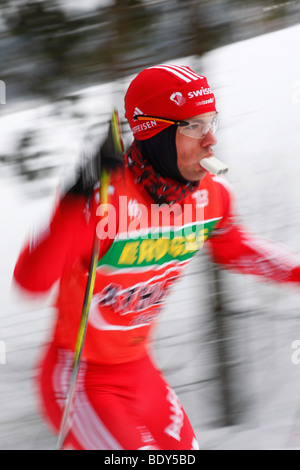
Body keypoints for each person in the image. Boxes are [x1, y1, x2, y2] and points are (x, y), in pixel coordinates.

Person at [13, 64, 300, 450]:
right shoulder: (104, 202)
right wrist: (73, 202)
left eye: (210, 121)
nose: (211, 140)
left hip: (139, 372)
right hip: (80, 380)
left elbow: (238, 250)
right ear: (155, 132)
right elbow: (30, 280)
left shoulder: (212, 196)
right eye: (193, 126)